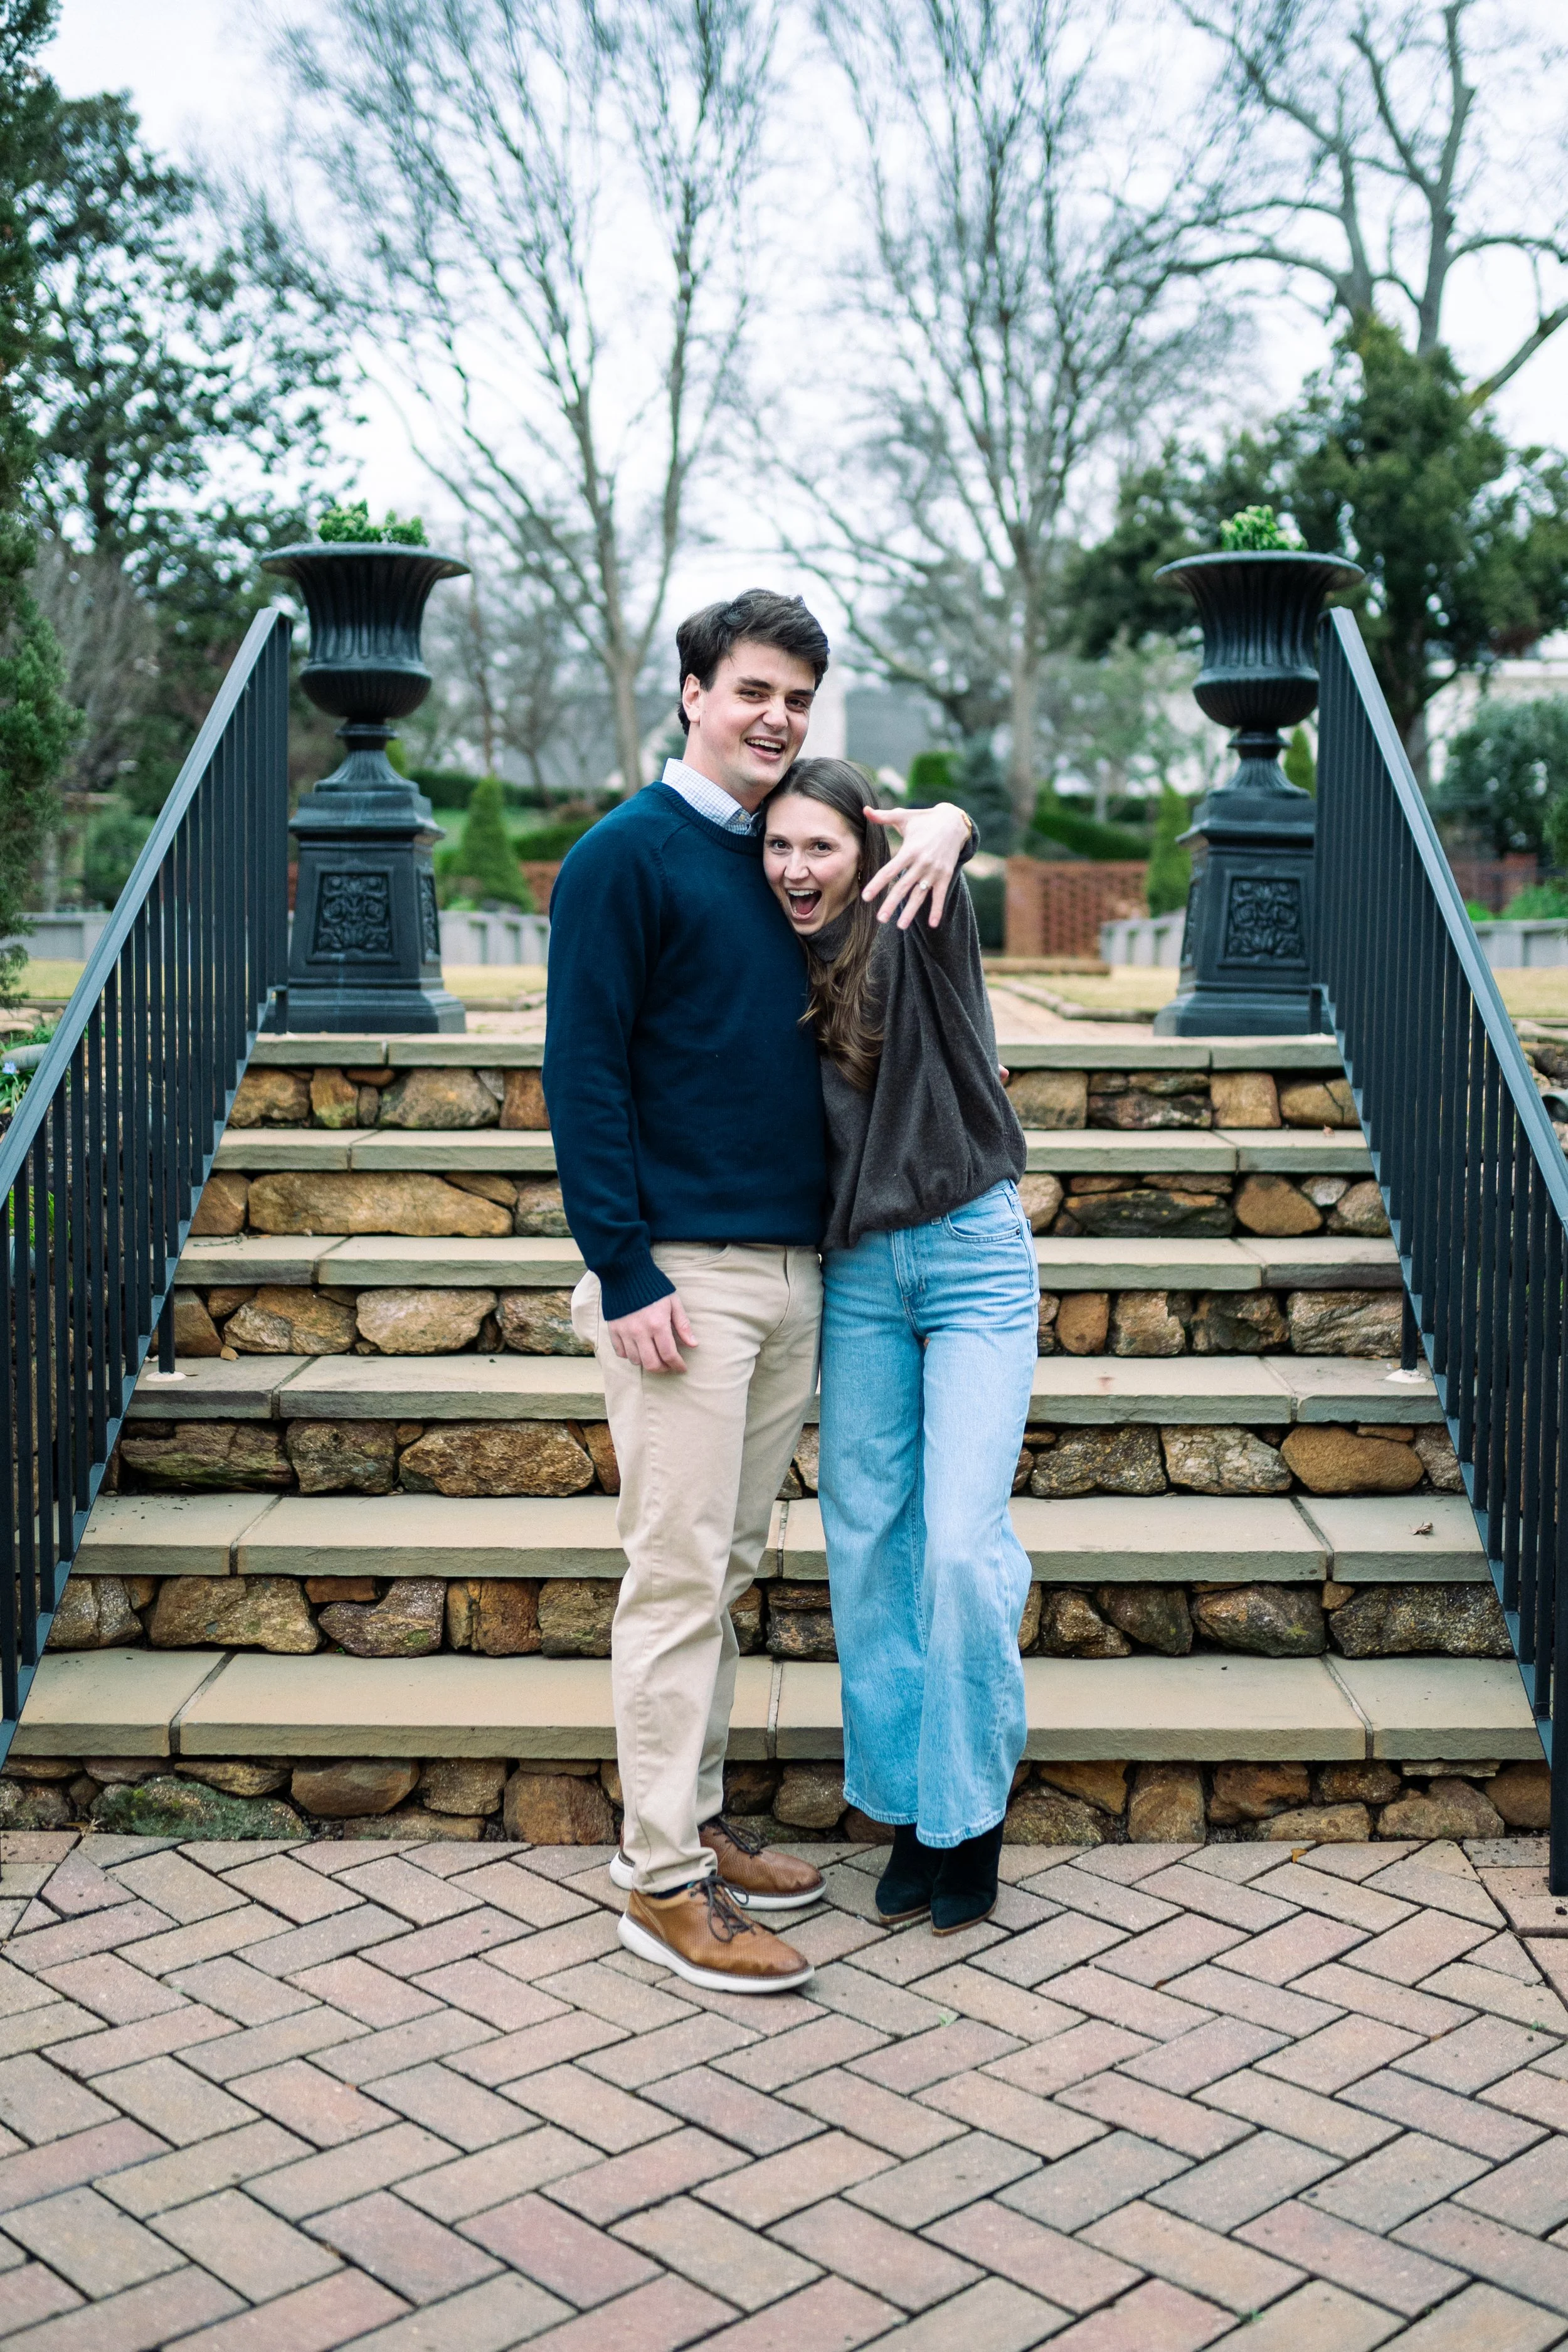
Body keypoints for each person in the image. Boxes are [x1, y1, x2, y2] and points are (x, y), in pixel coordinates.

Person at [544, 591, 974, 1992]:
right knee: (674, 1578)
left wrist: (953, 820)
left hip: (797, 1269)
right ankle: (657, 1884)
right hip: (682, 1279)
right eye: (749, 691)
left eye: (795, 696)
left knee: (723, 1567)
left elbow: (913, 838)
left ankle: (696, 1821)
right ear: (690, 694)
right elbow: (582, 1073)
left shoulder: (783, 851)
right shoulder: (626, 857)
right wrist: (622, 1268)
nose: (774, 717)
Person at [761, 758, 1036, 1933]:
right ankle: (915, 1806)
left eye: (820, 846)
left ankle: (970, 1817)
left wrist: (948, 826)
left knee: (962, 1549)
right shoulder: (771, 949)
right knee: (869, 1540)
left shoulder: (913, 918)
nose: (796, 869)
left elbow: (946, 844)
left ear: (864, 852)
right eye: (778, 847)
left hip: (972, 1256)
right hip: (860, 1273)